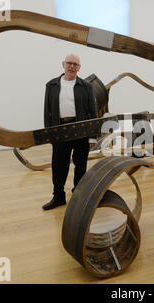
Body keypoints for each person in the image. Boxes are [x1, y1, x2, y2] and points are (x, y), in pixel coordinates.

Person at [43, 54, 98, 210]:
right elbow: (47, 112)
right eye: (69, 63)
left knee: (81, 165)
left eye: (75, 64)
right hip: (60, 130)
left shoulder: (86, 86)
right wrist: (49, 134)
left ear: (79, 67)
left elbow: (92, 113)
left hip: (80, 130)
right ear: (63, 64)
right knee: (59, 165)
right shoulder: (51, 85)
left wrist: (92, 137)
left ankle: (79, 196)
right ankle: (58, 197)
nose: (72, 67)